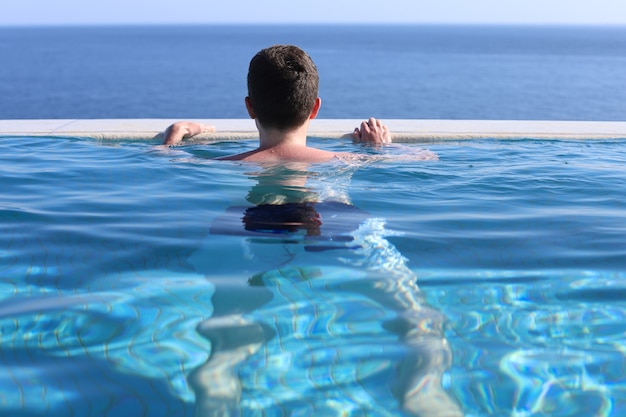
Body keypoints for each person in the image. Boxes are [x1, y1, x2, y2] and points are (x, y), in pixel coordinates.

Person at [162, 44, 391, 162]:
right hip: (325, 224)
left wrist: (174, 134)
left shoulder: (219, 165)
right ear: (315, 108)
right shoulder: (349, 161)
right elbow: (425, 158)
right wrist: (380, 150)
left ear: (249, 107)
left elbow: (166, 159)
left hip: (250, 223)